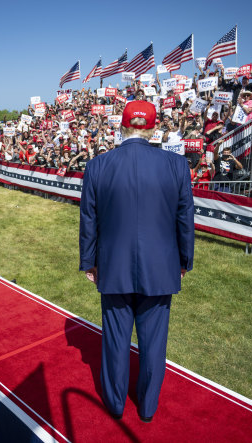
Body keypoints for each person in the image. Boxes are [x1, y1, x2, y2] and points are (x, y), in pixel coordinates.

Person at [79, 100, 195, 423]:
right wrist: (185, 260)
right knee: (154, 343)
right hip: (160, 267)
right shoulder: (176, 165)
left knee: (115, 339)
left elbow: (88, 219)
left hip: (112, 265)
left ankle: (115, 404)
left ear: (122, 126)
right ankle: (147, 407)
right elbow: (185, 220)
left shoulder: (98, 165)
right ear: (154, 128)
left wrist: (89, 260)